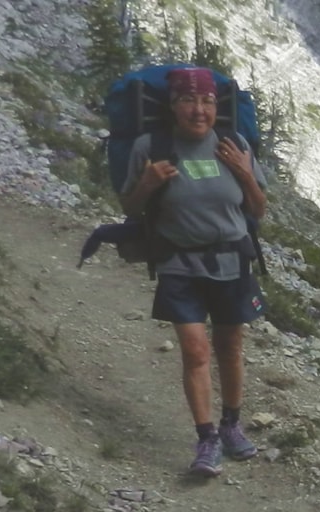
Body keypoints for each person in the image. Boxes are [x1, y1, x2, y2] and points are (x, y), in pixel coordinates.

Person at [118, 66, 272, 477]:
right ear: (173, 106)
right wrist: (148, 183)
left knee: (230, 346)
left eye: (206, 101)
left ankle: (232, 425)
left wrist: (243, 172)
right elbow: (130, 208)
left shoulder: (233, 144)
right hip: (178, 263)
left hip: (230, 260)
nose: (198, 110)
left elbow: (258, 209)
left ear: (215, 106)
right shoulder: (151, 147)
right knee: (195, 349)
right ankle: (207, 439)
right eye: (188, 100)